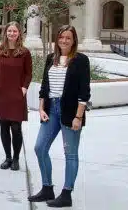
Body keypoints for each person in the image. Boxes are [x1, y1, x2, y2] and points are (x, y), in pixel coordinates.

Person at [28, 25, 90, 208]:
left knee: (70, 154)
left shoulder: (80, 60)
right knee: (40, 148)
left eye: (68, 38)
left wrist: (78, 117)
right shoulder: (51, 59)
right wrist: (41, 108)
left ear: (74, 41)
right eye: (61, 37)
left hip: (70, 112)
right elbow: (44, 87)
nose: (64, 40)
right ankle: (47, 188)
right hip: (51, 110)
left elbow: (84, 92)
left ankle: (66, 194)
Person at [0, 21, 33, 171]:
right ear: (5, 33)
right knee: (3, 127)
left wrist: (23, 89)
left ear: (19, 33)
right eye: (9, 31)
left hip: (17, 94)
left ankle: (16, 158)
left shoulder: (25, 52)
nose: (12, 34)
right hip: (1, 93)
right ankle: (7, 157)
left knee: (16, 127)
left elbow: (28, 73)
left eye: (14, 31)